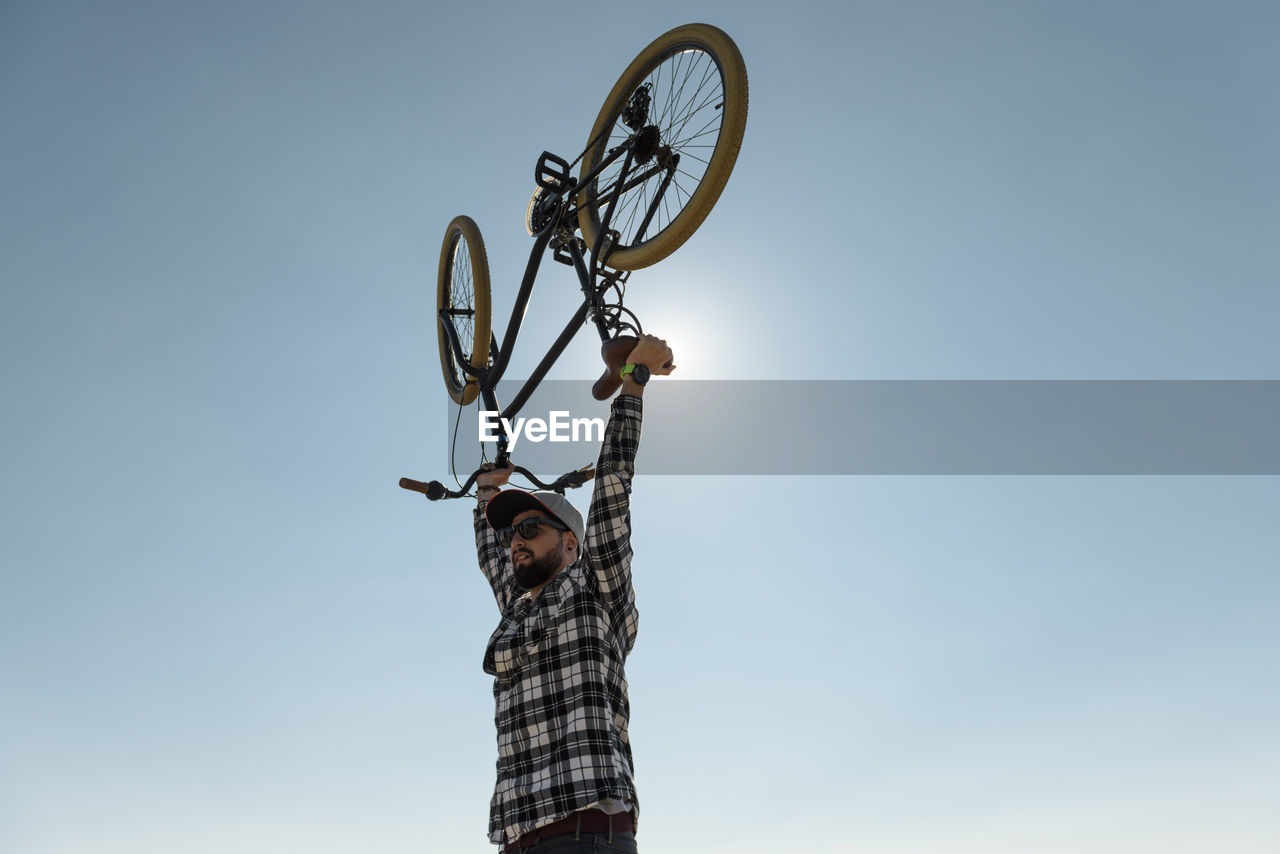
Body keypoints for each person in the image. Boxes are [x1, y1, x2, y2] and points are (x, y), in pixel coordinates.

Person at [472, 334, 675, 853]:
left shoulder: (595, 588)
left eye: (530, 529)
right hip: (517, 841)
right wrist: (486, 492)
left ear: (568, 542)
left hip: (587, 836)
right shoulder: (517, 609)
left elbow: (612, 486)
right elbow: (490, 552)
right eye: (511, 534)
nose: (515, 541)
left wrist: (634, 384)